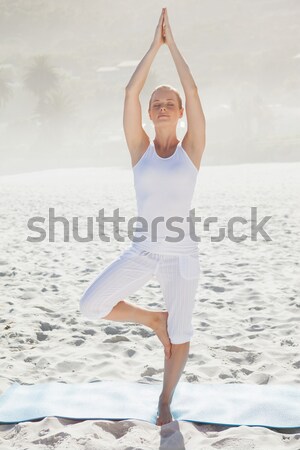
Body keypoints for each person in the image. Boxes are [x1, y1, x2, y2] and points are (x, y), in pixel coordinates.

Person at [79, 7, 206, 426]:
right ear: (150, 114)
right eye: (158, 104)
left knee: (182, 337)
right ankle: (154, 318)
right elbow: (130, 92)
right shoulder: (140, 150)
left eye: (170, 103)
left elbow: (194, 92)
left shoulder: (191, 151)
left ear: (180, 112)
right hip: (144, 250)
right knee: (91, 305)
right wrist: (156, 47)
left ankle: (165, 399)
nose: (164, 106)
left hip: (182, 256)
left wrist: (177, 49)